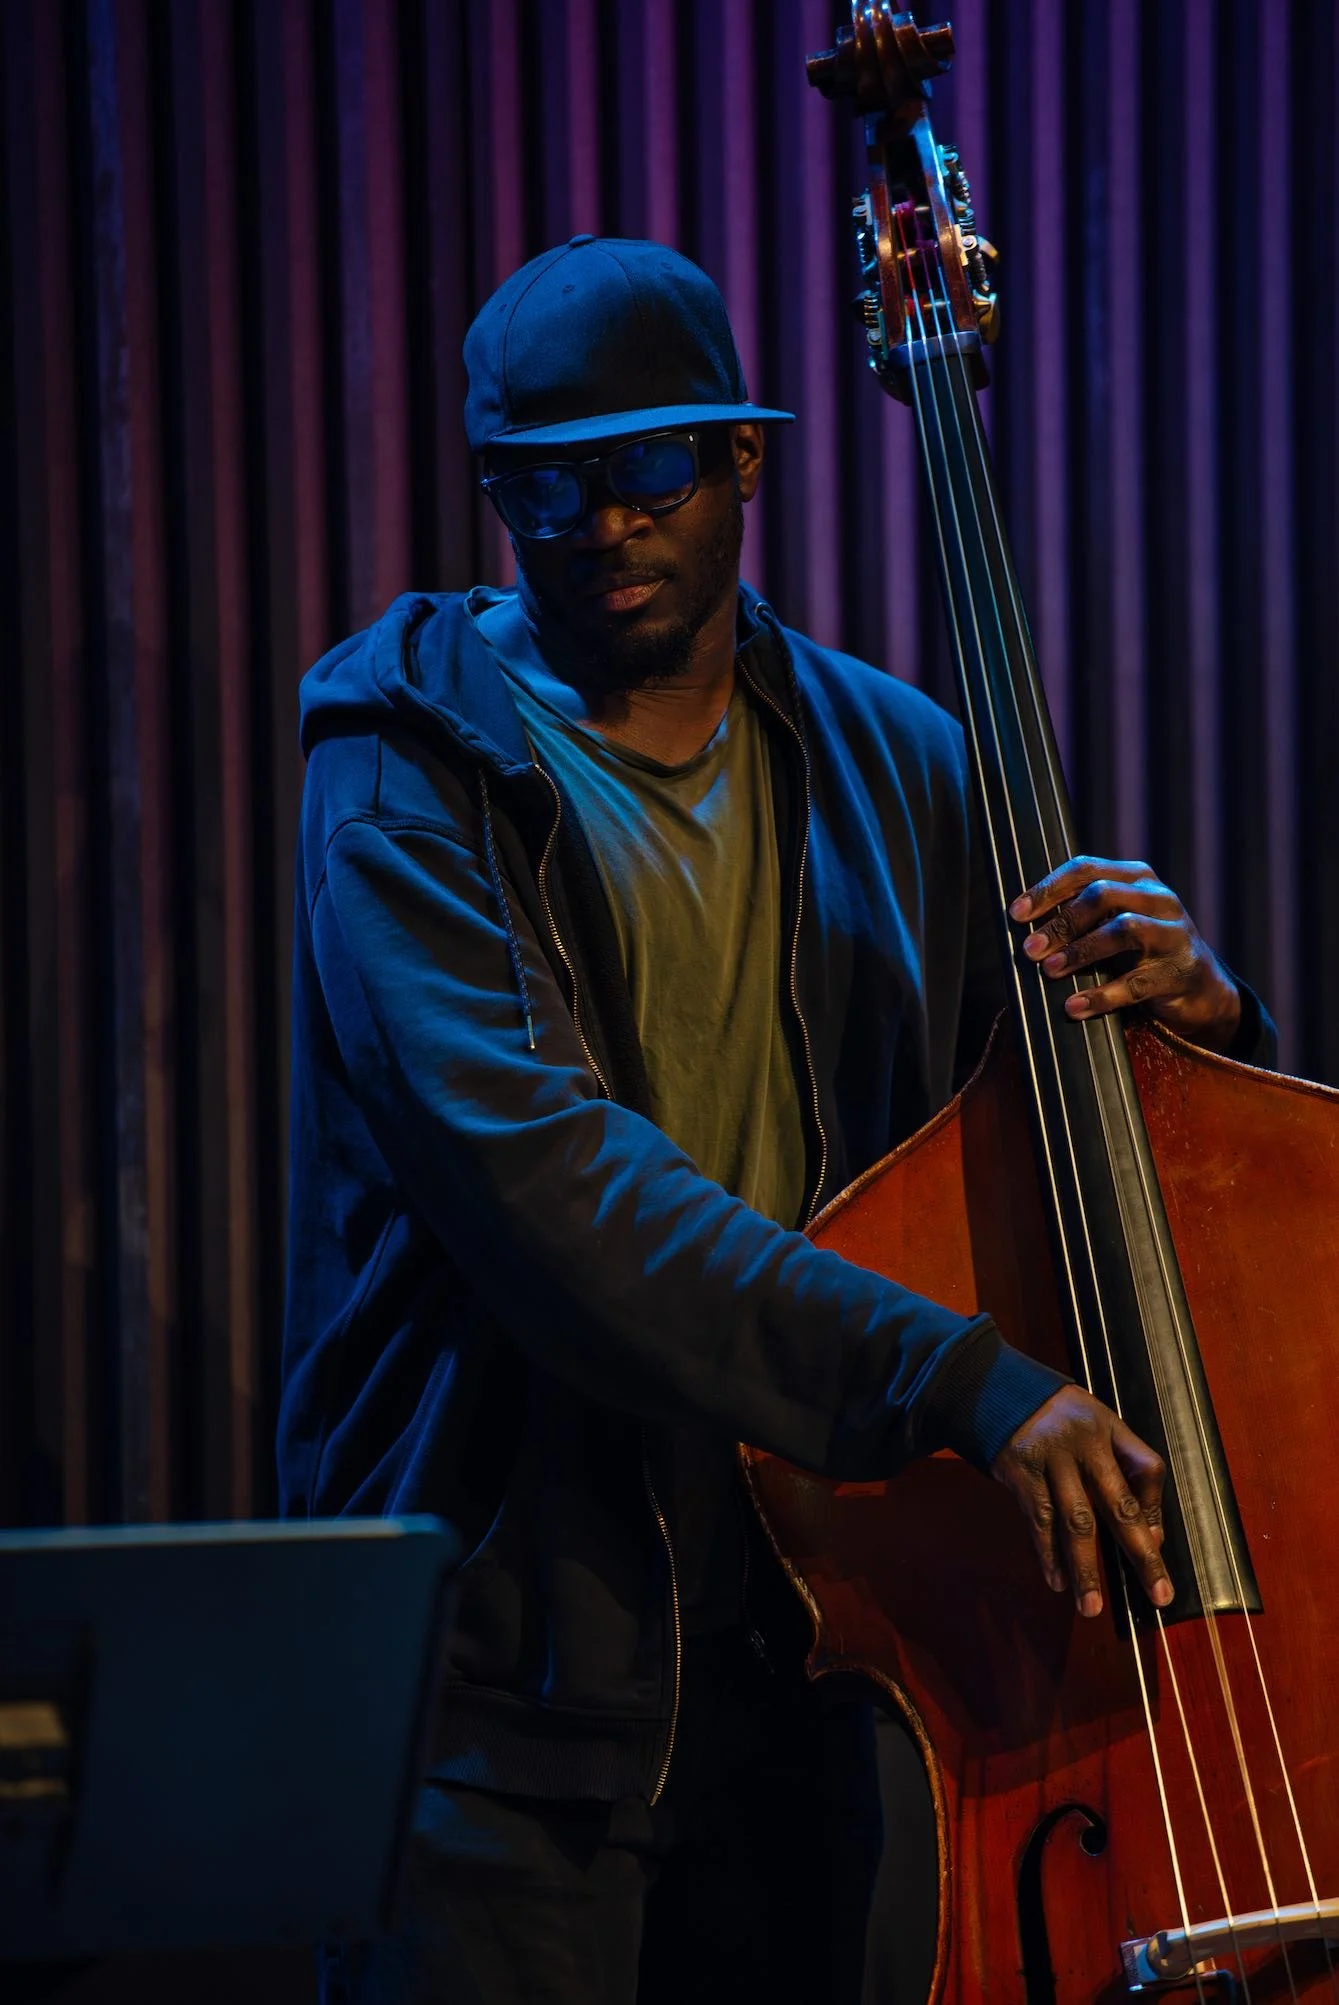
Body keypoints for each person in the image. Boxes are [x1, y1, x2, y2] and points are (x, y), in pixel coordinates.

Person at [280, 237, 1274, 2005]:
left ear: (744, 458)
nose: (595, 525)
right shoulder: (402, 769)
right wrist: (963, 1385)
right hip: (510, 1676)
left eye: (646, 470)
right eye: (541, 482)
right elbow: (550, 1189)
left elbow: (1068, 1171)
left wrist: (1201, 1025)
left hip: (812, 1641)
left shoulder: (903, 762)